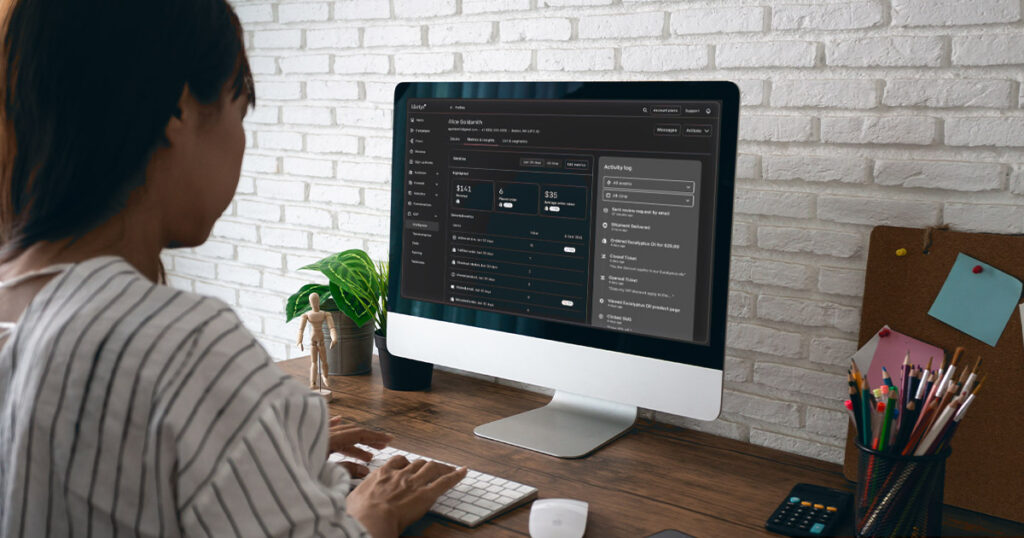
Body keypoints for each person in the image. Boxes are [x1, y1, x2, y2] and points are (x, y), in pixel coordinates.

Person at [0, 1, 465, 536]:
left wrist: (255, 450)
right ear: (176, 112)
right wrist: (368, 517)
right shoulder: (183, 347)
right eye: (239, 110)